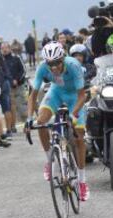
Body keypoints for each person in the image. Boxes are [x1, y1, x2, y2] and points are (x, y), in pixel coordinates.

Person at [26, 42, 89, 201]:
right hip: (56, 93)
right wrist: (28, 119)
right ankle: (50, 160)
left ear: (63, 58)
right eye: (50, 64)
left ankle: (82, 181)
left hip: (75, 97)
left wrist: (73, 115)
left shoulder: (73, 65)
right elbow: (33, 95)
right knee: (41, 122)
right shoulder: (42, 67)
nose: (53, 67)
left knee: (79, 137)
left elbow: (83, 96)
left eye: (56, 63)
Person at [1, 42, 27, 132]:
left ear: (9, 48)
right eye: (2, 48)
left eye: (6, 47)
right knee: (11, 108)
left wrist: (17, 79)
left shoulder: (16, 58)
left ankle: (26, 124)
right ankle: (12, 126)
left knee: (22, 106)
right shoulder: (1, 60)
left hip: (19, 86)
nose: (4, 50)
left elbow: (23, 70)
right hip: (8, 87)